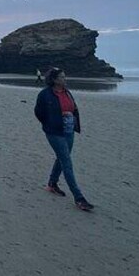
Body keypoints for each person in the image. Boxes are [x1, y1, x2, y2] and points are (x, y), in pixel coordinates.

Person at [34, 67, 94, 211]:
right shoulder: (45, 94)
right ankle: (79, 198)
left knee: (61, 158)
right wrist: (49, 123)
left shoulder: (67, 92)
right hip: (54, 132)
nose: (64, 79)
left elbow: (73, 108)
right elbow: (38, 112)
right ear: (54, 80)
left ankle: (52, 184)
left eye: (64, 76)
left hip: (68, 130)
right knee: (67, 162)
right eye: (61, 77)